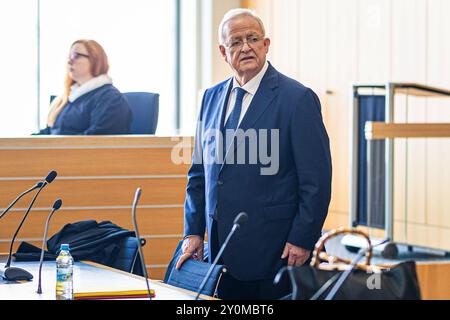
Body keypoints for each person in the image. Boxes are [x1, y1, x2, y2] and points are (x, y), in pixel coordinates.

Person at [176, 8, 332, 300]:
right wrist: (193, 231)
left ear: (266, 45)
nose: (245, 47)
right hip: (220, 249)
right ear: (223, 52)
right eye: (236, 41)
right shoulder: (210, 98)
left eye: (252, 38)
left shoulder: (297, 99)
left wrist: (302, 239)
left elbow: (317, 181)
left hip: (274, 250)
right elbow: (199, 172)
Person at [38, 39, 131, 135]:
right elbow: (51, 132)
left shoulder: (110, 98)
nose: (69, 61)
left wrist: (55, 146)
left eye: (76, 56)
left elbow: (96, 141)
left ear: (95, 60)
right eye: (69, 56)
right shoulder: (68, 98)